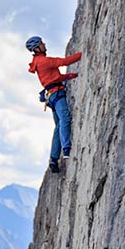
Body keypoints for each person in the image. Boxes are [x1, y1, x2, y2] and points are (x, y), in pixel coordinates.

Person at [26, 36, 82, 173]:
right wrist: (82, 54)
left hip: (51, 96)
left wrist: (71, 76)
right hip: (57, 94)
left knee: (58, 126)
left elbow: (55, 78)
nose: (44, 44)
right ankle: (66, 149)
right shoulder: (44, 61)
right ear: (37, 48)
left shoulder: (38, 62)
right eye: (41, 43)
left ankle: (53, 158)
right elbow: (64, 62)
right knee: (65, 119)